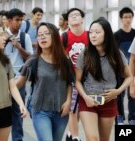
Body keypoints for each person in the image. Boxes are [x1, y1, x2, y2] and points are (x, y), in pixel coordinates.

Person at [75, 18, 132, 141]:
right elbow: (77, 81)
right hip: (88, 102)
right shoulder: (85, 54)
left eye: (97, 32)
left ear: (106, 34)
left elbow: (129, 76)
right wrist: (85, 97)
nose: (93, 35)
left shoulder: (117, 54)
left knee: (103, 139)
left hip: (109, 102)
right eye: (91, 32)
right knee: (93, 138)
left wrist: (118, 91)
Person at [16, 22, 72, 141]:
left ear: (55, 37)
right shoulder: (33, 60)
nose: (42, 37)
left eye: (46, 34)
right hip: (40, 110)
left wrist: (68, 102)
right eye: (40, 34)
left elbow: (69, 83)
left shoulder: (65, 60)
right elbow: (18, 83)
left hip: (61, 111)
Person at [4, 8, 33, 141]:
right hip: (2, 80)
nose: (19, 22)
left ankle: (17, 139)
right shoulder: (1, 36)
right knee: (2, 112)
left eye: (21, 20)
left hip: (18, 80)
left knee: (17, 112)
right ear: (9, 21)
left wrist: (19, 47)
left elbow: (30, 58)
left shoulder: (24, 37)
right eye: (17, 20)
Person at [63, 8, 88, 141]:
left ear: (83, 19)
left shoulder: (90, 35)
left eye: (77, 15)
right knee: (73, 108)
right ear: (67, 22)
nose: (74, 17)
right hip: (71, 79)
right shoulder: (64, 37)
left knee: (79, 107)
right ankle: (75, 137)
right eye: (71, 16)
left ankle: (70, 133)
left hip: (88, 79)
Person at [114, 7, 135, 125]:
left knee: (132, 94)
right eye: (125, 17)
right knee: (120, 94)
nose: (128, 19)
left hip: (133, 68)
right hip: (120, 69)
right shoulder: (116, 35)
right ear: (121, 19)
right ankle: (119, 116)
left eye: (130, 17)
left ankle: (132, 117)